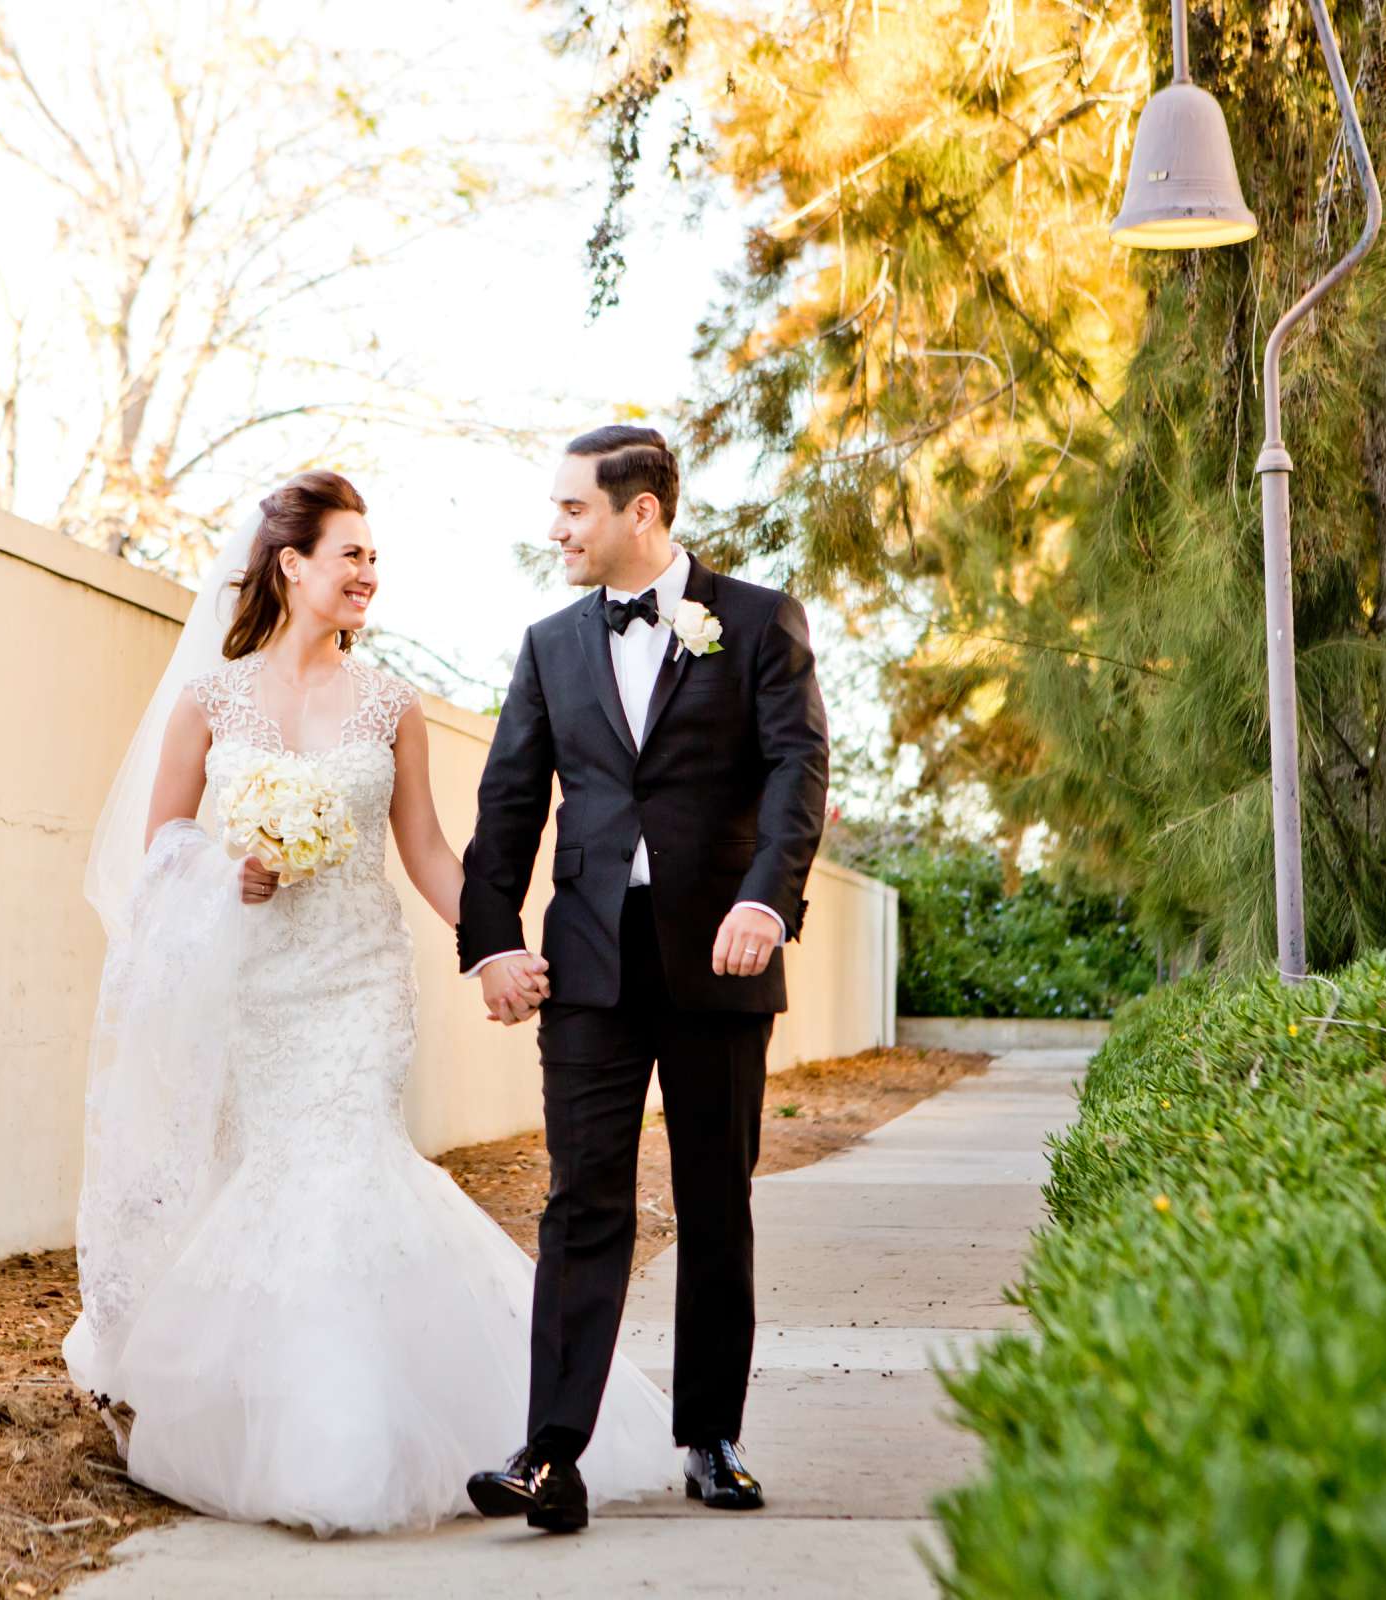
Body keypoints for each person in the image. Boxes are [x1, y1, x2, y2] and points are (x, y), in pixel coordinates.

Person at [65, 469, 677, 1537]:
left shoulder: (392, 704)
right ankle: (280, 1418)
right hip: (257, 986)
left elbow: (431, 852)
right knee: (274, 1184)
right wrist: (233, 868)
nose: (368, 572)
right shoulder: (210, 700)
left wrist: (492, 946)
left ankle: (345, 1444)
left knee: (342, 1172)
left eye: (373, 557)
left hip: (354, 985)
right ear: (291, 564)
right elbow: (162, 845)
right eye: (350, 553)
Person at [459, 427, 830, 1532]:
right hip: (588, 959)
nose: (557, 529)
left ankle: (711, 1437)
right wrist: (491, 940)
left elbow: (797, 768)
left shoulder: (759, 621)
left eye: (574, 508)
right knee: (582, 1201)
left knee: (717, 1196)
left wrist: (767, 900)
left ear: (642, 514)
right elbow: (510, 801)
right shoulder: (549, 642)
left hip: (722, 949)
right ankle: (550, 1452)